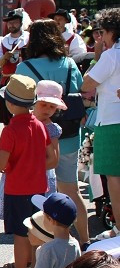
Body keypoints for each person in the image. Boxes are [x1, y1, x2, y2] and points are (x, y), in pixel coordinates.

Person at [17, 19, 89, 245]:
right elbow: (79, 93)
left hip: (35, 137)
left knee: (36, 193)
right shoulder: (69, 64)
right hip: (67, 133)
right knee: (70, 189)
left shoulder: (24, 68)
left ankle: (39, 244)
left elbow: (18, 104)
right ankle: (85, 240)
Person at [0, 74, 50, 268]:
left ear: (9, 103)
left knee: (20, 234)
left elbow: (2, 163)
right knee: (36, 232)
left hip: (17, 188)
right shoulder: (39, 126)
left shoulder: (10, 130)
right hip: (39, 187)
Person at [82, 8, 120, 244]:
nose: (100, 38)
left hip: (111, 121)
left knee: (114, 178)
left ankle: (118, 228)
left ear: (111, 32)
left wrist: (97, 54)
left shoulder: (110, 55)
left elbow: (87, 83)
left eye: (102, 33)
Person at [0, 9, 29, 125]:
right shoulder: (2, 41)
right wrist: (3, 58)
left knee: (24, 110)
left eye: (15, 22)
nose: (12, 25)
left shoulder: (29, 38)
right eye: (9, 23)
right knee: (6, 111)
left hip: (26, 81)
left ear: (21, 23)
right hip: (7, 80)